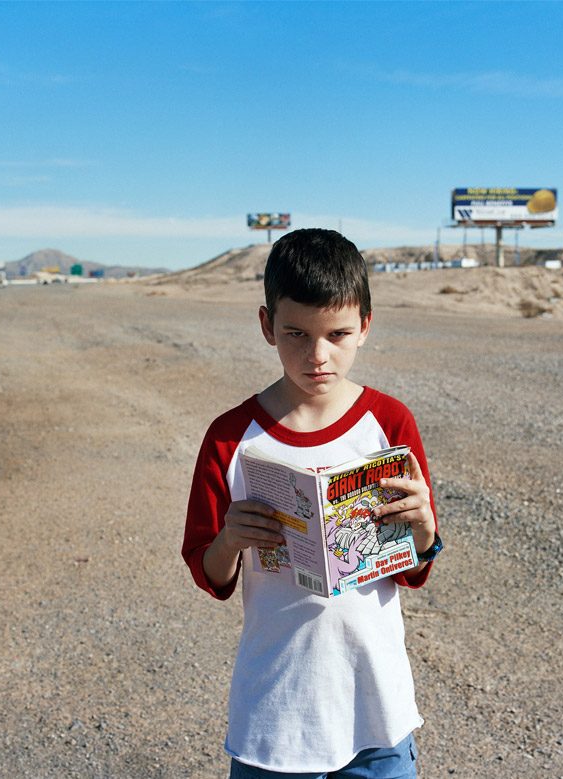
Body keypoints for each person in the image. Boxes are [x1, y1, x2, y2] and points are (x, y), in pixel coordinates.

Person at [181, 228, 443, 778]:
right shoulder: (232, 437)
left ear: (365, 327)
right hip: (276, 714)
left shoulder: (389, 424)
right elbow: (209, 574)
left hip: (376, 710)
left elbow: (417, 568)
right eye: (296, 333)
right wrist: (231, 538)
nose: (317, 355)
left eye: (337, 334)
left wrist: (422, 528)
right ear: (266, 325)